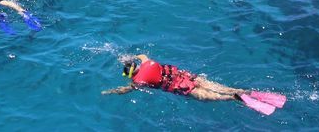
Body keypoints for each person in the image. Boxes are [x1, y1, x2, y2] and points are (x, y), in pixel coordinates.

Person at [104, 55, 286, 115]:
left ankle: (235, 98)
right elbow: (141, 54)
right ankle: (245, 92)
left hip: (186, 89)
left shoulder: (138, 82)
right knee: (222, 87)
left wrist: (109, 92)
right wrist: (127, 58)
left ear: (129, 75)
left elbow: (125, 90)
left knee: (215, 97)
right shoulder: (148, 62)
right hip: (193, 78)